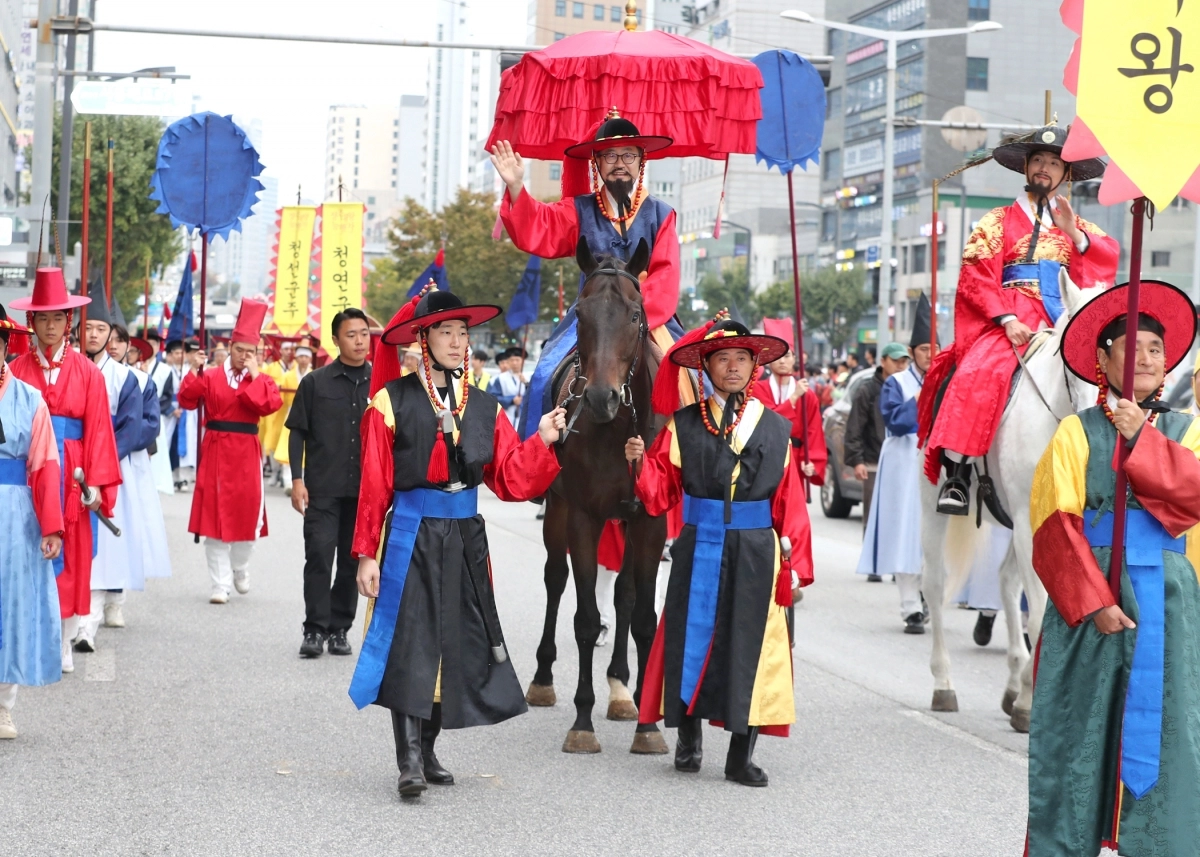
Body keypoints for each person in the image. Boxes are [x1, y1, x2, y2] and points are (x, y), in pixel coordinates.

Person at [349, 286, 567, 798]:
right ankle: (408, 761)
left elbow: (509, 478)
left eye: (461, 332)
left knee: (454, 643)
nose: (455, 340)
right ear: (422, 340)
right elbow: (375, 483)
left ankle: (428, 750)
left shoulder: (486, 407)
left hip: (466, 537)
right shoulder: (390, 401)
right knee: (410, 641)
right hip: (411, 533)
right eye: (444, 331)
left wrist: (542, 439)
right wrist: (365, 554)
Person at [1026, 279, 1200, 856]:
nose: (1147, 358)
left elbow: (1193, 497)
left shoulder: (1187, 429)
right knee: (1079, 728)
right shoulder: (1075, 430)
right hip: (1093, 598)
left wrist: (1141, 439)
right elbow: (1053, 523)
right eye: (1133, 348)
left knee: (1171, 729)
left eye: (1156, 348)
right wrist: (1094, 600)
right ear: (1104, 360)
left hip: (1167, 600)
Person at [625, 318, 811, 786]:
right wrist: (639, 464)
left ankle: (740, 756)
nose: (732, 367)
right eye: (722, 359)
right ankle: (688, 738)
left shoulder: (776, 429)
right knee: (691, 639)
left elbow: (790, 501)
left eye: (741, 358)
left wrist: (797, 566)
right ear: (705, 368)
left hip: (757, 550)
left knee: (752, 646)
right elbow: (660, 493)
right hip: (699, 544)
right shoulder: (683, 425)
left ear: (754, 366)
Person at [923, 123, 1118, 520]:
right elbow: (976, 273)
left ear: (1066, 174)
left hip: (1063, 317)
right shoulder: (997, 221)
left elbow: (1105, 264)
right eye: (1038, 160)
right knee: (979, 371)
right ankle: (958, 473)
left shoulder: (1079, 226)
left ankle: (1112, 468)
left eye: (1054, 163)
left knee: (1106, 374)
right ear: (1027, 167)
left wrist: (1074, 235)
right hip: (1010, 317)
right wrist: (1007, 318)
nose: (1045, 168)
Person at [490, 110, 682, 440]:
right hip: (591, 316)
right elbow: (541, 226)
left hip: (648, 316)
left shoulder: (661, 214)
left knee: (695, 376)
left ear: (641, 160)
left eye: (628, 155)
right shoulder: (580, 210)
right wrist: (517, 186)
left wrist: (633, 313)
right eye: (610, 155)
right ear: (597, 162)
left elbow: (666, 274)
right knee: (544, 374)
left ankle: (691, 456)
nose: (619, 163)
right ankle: (538, 454)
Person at [8, 268, 121, 674]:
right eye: (43, 318)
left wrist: (98, 486)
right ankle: (29, 635)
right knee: (25, 550)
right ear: (31, 321)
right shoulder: (14, 370)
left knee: (73, 558)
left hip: (73, 475)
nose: (51, 326)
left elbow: (100, 431)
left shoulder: (88, 373)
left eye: (58, 317)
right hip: (28, 473)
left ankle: (64, 639)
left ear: (68, 321)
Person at [178, 299, 283, 604]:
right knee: (213, 519)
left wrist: (255, 375)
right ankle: (219, 585)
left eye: (250, 352)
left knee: (247, 517)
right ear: (229, 347)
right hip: (215, 448)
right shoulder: (210, 375)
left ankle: (240, 566)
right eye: (239, 350)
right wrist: (195, 371)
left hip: (246, 451)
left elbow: (269, 406)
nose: (243, 356)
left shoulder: (262, 379)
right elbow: (187, 400)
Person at [287, 311, 372, 659]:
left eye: (364, 333)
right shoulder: (315, 383)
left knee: (352, 564)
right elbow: (297, 432)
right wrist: (297, 480)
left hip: (364, 492)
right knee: (319, 558)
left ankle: (339, 629)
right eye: (351, 335)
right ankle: (314, 628)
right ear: (335, 340)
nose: (359, 341)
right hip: (322, 488)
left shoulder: (382, 385)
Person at [0, 307, 65, 740]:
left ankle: (3, 707)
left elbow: (44, 466)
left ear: (5, 346)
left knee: (11, 604)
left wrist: (51, 526)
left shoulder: (30, 399)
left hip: (13, 514)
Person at [856, 296, 937, 632]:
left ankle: (926, 593)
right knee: (905, 532)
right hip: (904, 463)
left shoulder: (947, 379)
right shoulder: (896, 383)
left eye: (934, 349)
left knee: (934, 535)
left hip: (936, 462)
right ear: (912, 352)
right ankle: (910, 607)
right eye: (923, 350)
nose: (930, 355)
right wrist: (919, 399)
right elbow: (895, 421)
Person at [73, 299, 144, 651]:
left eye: (101, 329)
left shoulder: (125, 378)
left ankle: (88, 625)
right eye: (88, 328)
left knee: (102, 554)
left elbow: (131, 428)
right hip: (69, 465)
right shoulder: (66, 367)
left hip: (107, 469)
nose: (94, 335)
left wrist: (100, 462)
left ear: (111, 334)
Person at [750, 348, 827, 493]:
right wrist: (794, 397)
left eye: (786, 356)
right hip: (764, 458)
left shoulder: (808, 395)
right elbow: (770, 421)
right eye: (776, 356)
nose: (782, 361)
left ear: (794, 359)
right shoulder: (756, 389)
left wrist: (810, 459)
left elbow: (814, 430)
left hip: (795, 458)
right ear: (769, 360)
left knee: (793, 502)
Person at [844, 345, 891, 555]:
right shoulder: (867, 390)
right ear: (883, 361)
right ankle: (871, 559)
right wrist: (857, 460)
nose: (901, 366)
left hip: (900, 462)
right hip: (873, 461)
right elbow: (854, 427)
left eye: (904, 362)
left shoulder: (907, 388)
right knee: (873, 514)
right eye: (896, 361)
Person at [261, 337, 298, 489]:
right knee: (273, 440)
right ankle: (275, 471)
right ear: (281, 351)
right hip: (276, 410)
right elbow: (266, 384)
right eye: (286, 349)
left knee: (287, 442)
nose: (289, 352)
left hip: (289, 408)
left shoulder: (296, 368)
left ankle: (285, 474)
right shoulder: (272, 367)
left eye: (291, 349)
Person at [488, 347, 527, 426]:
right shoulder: (501, 378)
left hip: (524, 418)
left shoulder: (529, 377)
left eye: (517, 360)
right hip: (506, 417)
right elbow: (493, 397)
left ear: (523, 361)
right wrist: (511, 400)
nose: (515, 363)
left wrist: (526, 384)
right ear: (508, 361)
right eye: (512, 360)